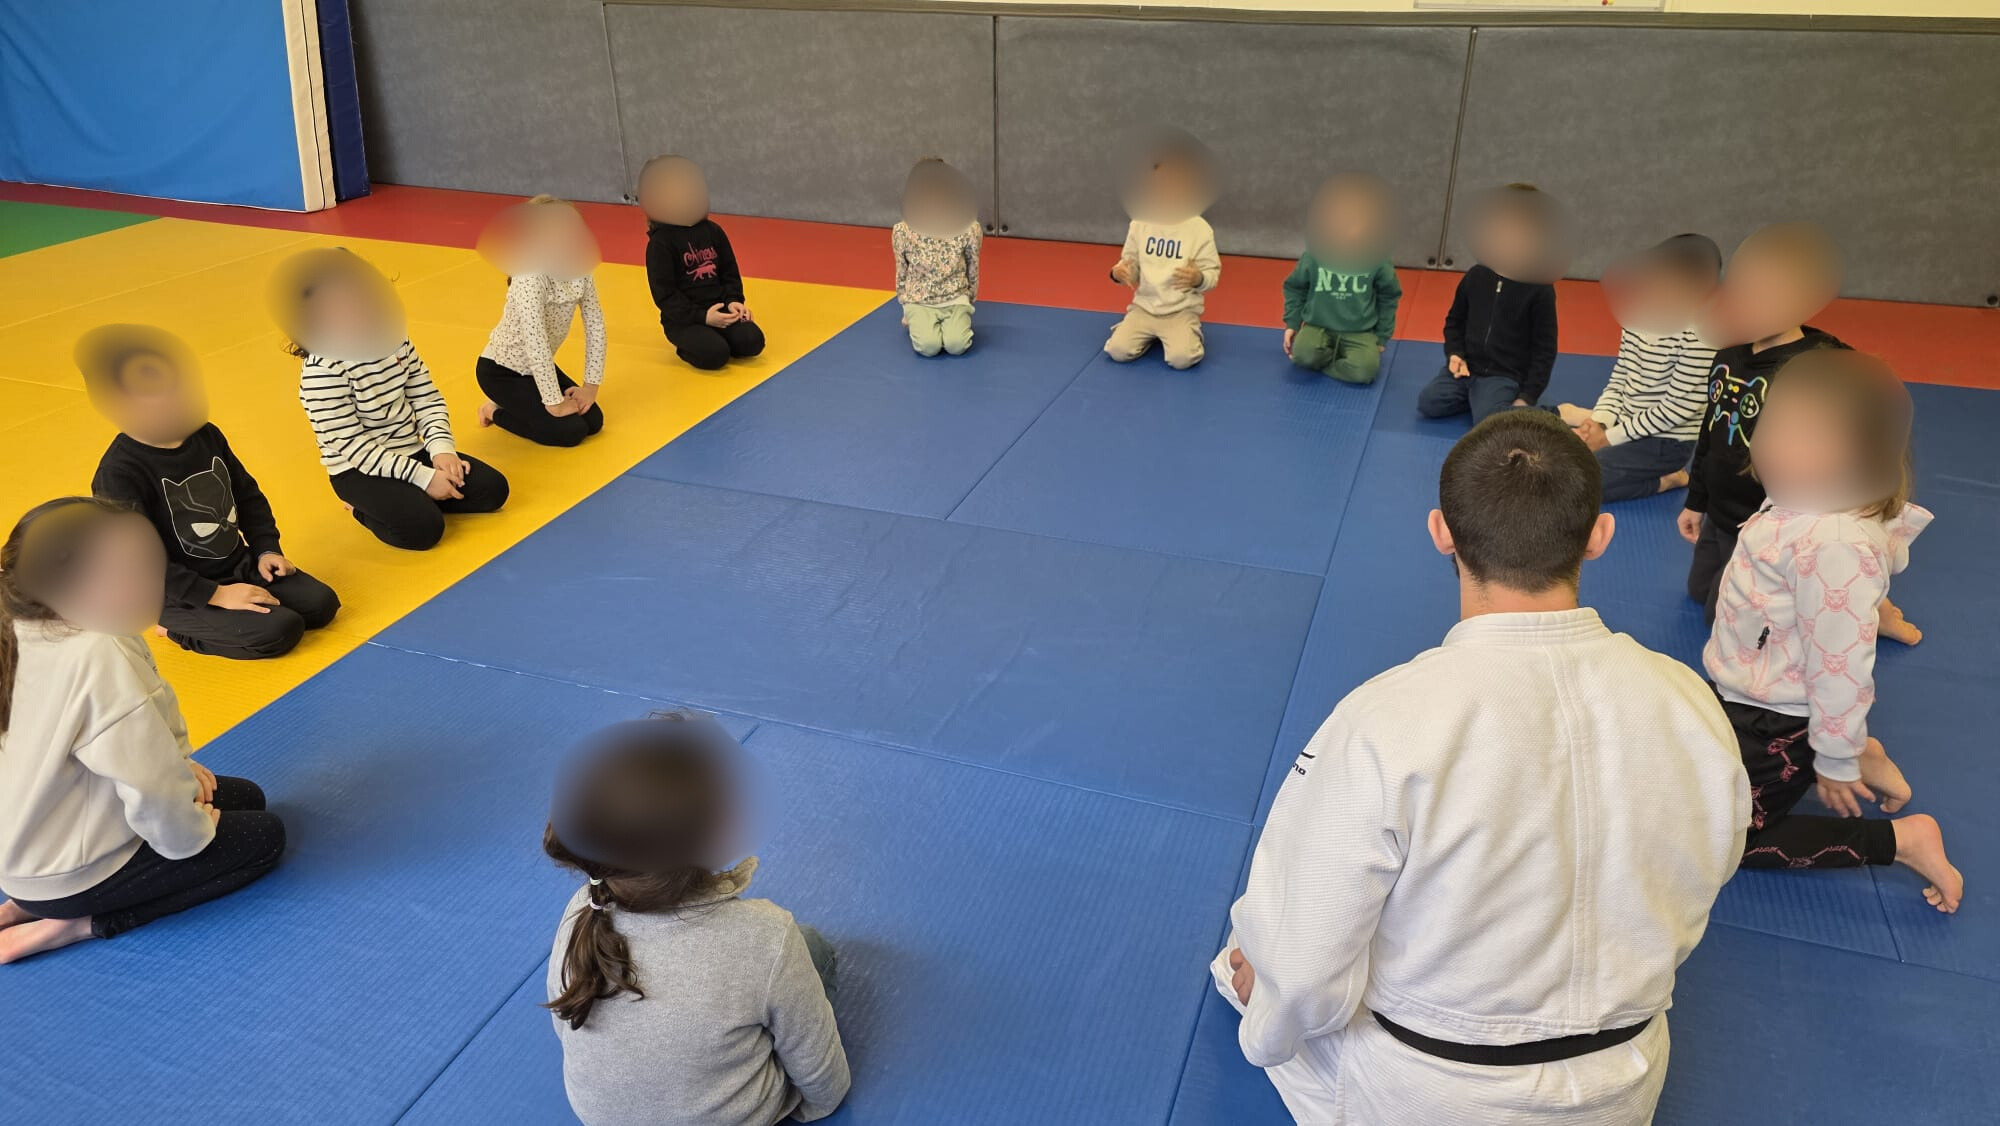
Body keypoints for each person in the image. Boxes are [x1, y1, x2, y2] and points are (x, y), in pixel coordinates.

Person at [1213, 411, 1747, 1124]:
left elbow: (1310, 965)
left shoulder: (1386, 719)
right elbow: (1712, 861)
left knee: (1249, 956)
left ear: (1442, 532)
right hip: (1623, 1084)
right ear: (1599, 535)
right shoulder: (1690, 701)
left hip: (1429, 1094)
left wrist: (1267, 998)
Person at [1704, 348, 1960, 913]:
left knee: (1730, 841)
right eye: (1769, 423)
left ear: (1852, 459)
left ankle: (1901, 840)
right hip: (1753, 688)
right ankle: (1857, 748)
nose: (1764, 442)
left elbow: (1839, 664)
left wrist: (1835, 756)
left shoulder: (1834, 548)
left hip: (1780, 711)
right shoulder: (1808, 497)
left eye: (1795, 435)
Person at [0, 498, 286, 963]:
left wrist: (181, 770)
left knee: (245, 796)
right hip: (72, 872)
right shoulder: (95, 651)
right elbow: (149, 784)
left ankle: (28, 901)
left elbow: (124, 747)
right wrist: (190, 835)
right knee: (263, 838)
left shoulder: (22, 621)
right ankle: (77, 923)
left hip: (30, 850)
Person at [545, 714, 848, 1126]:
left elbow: (566, 1027)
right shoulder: (766, 936)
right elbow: (823, 1079)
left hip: (599, 1117)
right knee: (811, 948)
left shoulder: (585, 907)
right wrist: (811, 1108)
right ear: (721, 835)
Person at [81, 325, 339, 661]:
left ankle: (232, 594)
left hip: (238, 563)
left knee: (321, 605)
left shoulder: (205, 434)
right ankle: (174, 628)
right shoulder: (119, 473)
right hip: (173, 592)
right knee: (280, 632)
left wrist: (265, 550)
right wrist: (216, 595)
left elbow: (246, 494)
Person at [272, 247, 510, 550]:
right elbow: (354, 447)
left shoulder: (394, 338)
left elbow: (426, 396)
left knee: (493, 490)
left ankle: (415, 495)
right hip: (357, 470)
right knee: (424, 530)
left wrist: (441, 451)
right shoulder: (322, 371)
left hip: (410, 450)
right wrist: (424, 479)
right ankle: (360, 508)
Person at [1679, 222, 1845, 624]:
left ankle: (1862, 605)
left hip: (1767, 526)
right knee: (1697, 593)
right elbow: (1712, 431)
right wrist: (1696, 501)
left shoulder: (1816, 367)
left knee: (1717, 618)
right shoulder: (1728, 354)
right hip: (1721, 512)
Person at [1552, 234, 1722, 502]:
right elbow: (1620, 379)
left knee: (1578, 484)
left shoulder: (1700, 336)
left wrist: (1608, 439)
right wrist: (1600, 422)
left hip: (1665, 442)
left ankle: (1665, 480)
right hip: (1624, 425)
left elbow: (1674, 411)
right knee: (1554, 463)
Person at [1416, 184, 1563, 425]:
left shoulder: (1539, 287)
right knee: (1429, 402)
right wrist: (1455, 354)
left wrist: (1527, 397)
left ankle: (1558, 413)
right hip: (1467, 369)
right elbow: (1455, 321)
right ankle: (1483, 402)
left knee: (1488, 422)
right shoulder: (1477, 275)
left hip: (1503, 375)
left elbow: (1544, 350)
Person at [475, 195, 609, 448]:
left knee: (593, 420)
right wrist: (554, 403)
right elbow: (535, 342)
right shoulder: (530, 276)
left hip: (538, 371)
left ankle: (518, 403)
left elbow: (596, 327)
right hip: (502, 372)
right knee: (570, 432)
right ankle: (494, 410)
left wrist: (590, 387)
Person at [1104, 132, 1221, 370]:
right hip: (1144, 308)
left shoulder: (1199, 229)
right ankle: (1136, 330)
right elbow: (1129, 265)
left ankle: (1188, 332)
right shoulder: (1140, 222)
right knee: (1117, 351)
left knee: (1182, 359)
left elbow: (1212, 274)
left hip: (1180, 311)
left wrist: (1198, 278)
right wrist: (1119, 273)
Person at [641, 156, 767, 372]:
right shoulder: (661, 243)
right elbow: (665, 295)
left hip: (721, 309)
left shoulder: (712, 231)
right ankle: (690, 344)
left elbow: (729, 272)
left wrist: (734, 301)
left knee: (752, 342)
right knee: (714, 355)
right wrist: (703, 317)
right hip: (685, 320)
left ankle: (718, 335)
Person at [1282, 172, 1401, 385]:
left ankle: (1333, 362)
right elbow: (1295, 287)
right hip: (1317, 327)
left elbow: (1389, 296)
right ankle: (1329, 357)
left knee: (1364, 372)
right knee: (1302, 356)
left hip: (1360, 331)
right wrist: (1292, 322)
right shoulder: (1315, 254)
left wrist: (1382, 336)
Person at [892, 158, 982, 357]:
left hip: (955, 297)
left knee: (957, 346)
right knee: (929, 348)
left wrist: (969, 299)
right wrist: (905, 302)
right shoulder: (902, 231)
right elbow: (902, 270)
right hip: (919, 299)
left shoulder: (969, 229)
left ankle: (953, 321)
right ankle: (913, 317)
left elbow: (973, 266)